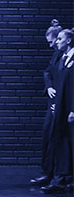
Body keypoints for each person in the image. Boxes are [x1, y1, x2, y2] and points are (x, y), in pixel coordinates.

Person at [33, 20, 65, 186]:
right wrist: (50, 86)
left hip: (61, 103)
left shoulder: (64, 57)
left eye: (53, 41)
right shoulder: (56, 55)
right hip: (53, 101)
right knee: (48, 136)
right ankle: (48, 172)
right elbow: (48, 72)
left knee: (56, 139)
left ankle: (56, 175)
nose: (51, 45)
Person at [42, 29, 74, 194]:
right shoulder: (62, 57)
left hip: (69, 109)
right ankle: (60, 178)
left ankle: (64, 178)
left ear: (68, 41)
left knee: (67, 143)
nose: (56, 42)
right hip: (61, 106)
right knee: (60, 141)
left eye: (60, 39)